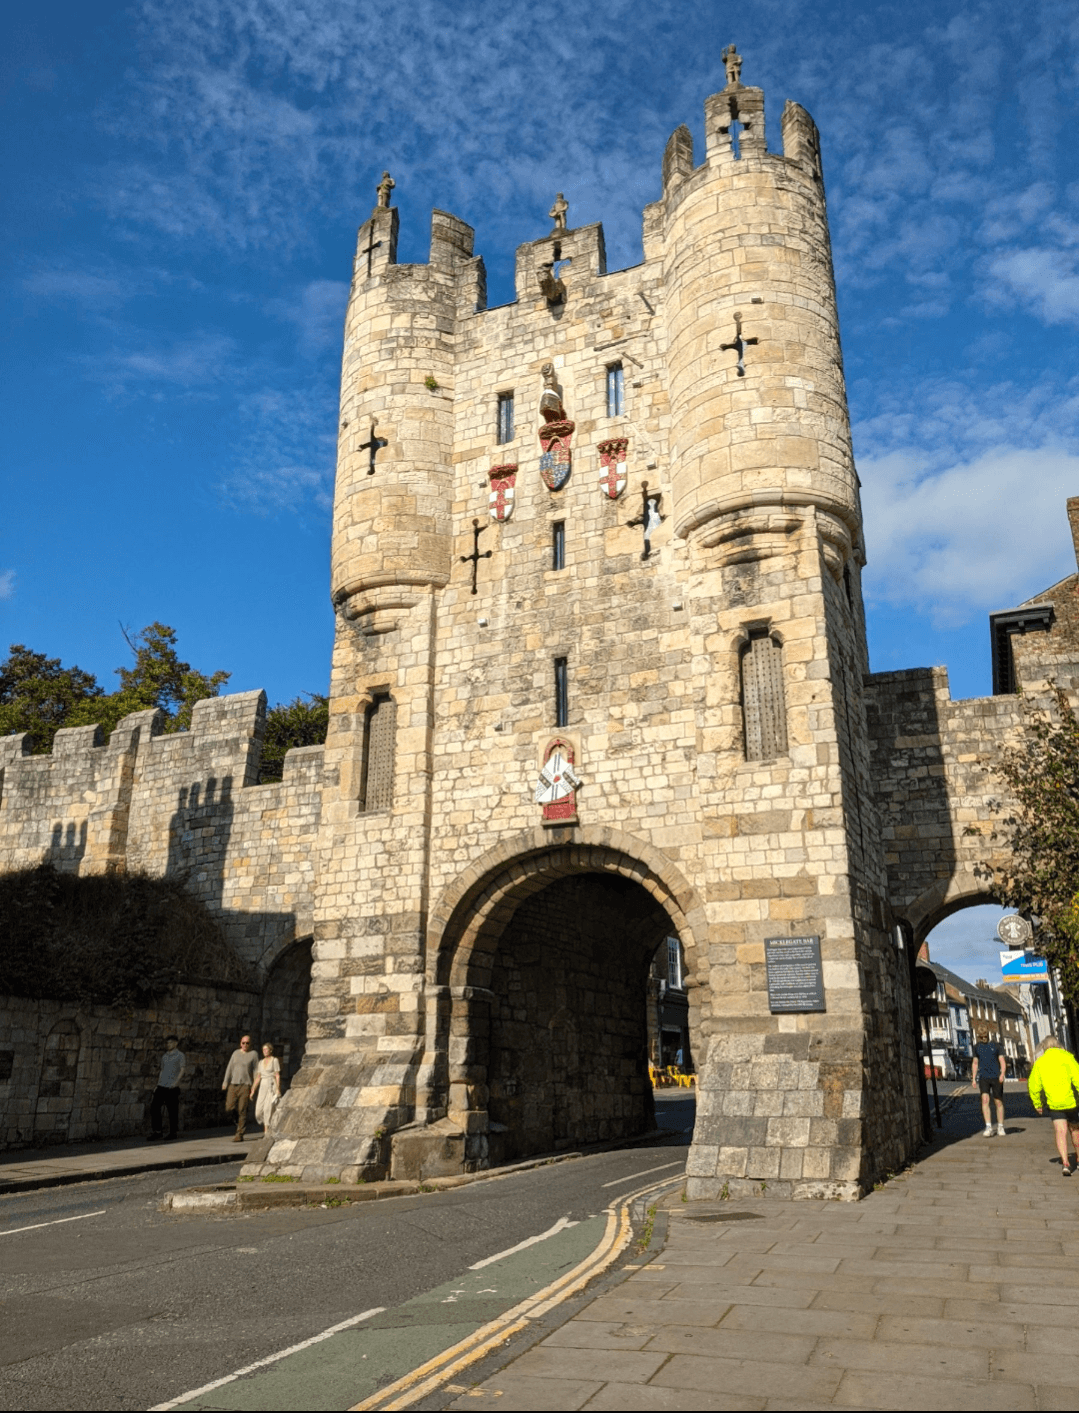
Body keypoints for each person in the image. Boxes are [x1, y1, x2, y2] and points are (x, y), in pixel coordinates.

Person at [1028, 1035, 1079, 1175]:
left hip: (1054, 1104)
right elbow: (1078, 1078)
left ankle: (1066, 1163)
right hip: (1071, 1103)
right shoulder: (1067, 1057)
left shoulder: (1040, 1062)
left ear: (1043, 1047)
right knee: (1075, 1132)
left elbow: (1033, 1086)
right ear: (1058, 1044)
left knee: (1060, 1132)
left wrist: (1037, 1103)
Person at [971, 1024, 1007, 1136]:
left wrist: (1002, 1074)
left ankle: (1000, 1126)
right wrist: (973, 1078)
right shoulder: (977, 1047)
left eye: (984, 1036)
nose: (983, 1038)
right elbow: (975, 1063)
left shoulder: (997, 1046)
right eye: (981, 1037)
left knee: (998, 1101)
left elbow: (1002, 1061)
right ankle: (988, 1127)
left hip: (996, 1076)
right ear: (979, 1036)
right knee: (985, 1100)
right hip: (984, 1077)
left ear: (987, 1034)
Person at [221, 1034, 258, 1141]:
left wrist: (254, 1087)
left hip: (246, 1085)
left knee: (242, 1109)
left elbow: (256, 1070)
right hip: (233, 1084)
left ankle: (240, 1133)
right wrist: (225, 1082)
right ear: (240, 1044)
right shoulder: (235, 1053)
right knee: (229, 1107)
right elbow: (230, 1068)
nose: (245, 1045)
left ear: (250, 1044)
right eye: (243, 1043)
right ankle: (239, 1121)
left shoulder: (253, 1054)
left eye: (247, 1043)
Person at [148, 1035, 185, 1141]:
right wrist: (157, 1085)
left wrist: (176, 1082)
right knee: (154, 1107)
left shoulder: (180, 1055)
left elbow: (182, 1069)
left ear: (176, 1043)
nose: (168, 1045)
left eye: (170, 1043)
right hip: (162, 1085)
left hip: (172, 1087)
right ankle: (157, 1131)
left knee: (172, 1110)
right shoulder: (165, 1056)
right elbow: (162, 1071)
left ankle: (173, 1132)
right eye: (167, 1043)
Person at [250, 1043, 282, 1135]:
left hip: (271, 1084)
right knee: (258, 1112)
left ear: (270, 1050)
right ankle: (269, 1125)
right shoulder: (260, 1062)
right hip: (262, 1086)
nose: (264, 1051)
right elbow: (258, 1077)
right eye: (263, 1050)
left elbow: (277, 1075)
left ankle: (266, 1131)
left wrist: (278, 1089)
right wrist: (253, 1090)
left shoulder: (274, 1060)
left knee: (268, 1108)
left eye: (266, 1049)